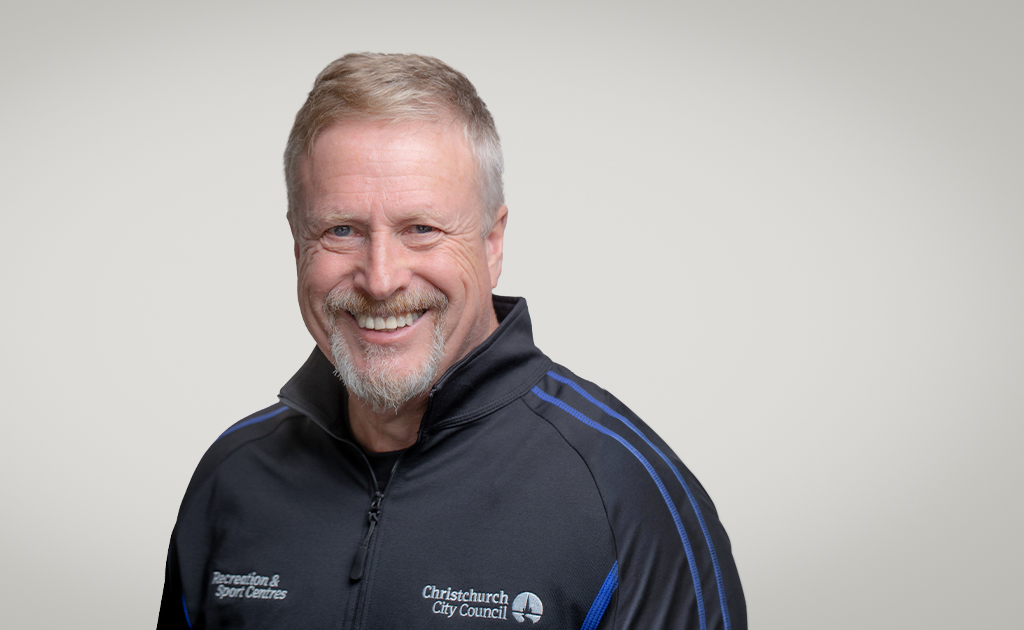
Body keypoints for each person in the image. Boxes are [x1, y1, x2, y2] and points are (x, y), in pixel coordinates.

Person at [158, 52, 745, 630]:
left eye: (422, 229)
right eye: (341, 230)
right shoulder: (230, 479)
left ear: (492, 244)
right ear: (296, 245)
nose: (381, 278)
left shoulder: (626, 495)